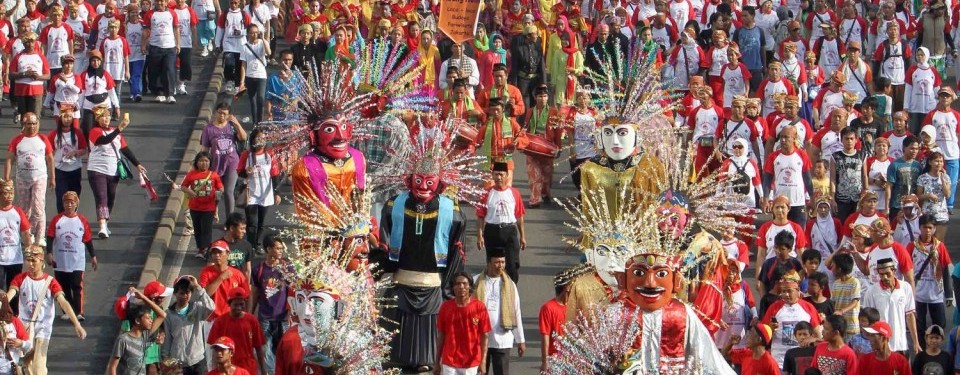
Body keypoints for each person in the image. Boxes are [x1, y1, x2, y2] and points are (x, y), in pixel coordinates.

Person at [7, 246, 86, 375]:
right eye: (28, 260)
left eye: (34, 261)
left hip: (43, 328)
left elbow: (63, 302)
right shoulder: (20, 278)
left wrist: (76, 324)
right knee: (26, 366)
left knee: (39, 367)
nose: (30, 264)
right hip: (24, 328)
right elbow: (10, 294)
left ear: (42, 261)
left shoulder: (50, 282)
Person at [86, 105, 145, 238]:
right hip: (96, 169)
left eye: (107, 116)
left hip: (113, 170)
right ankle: (102, 227)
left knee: (111, 197)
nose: (106, 119)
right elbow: (104, 141)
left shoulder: (115, 132)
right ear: (97, 119)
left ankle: (105, 223)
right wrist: (120, 128)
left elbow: (124, 149)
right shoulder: (94, 131)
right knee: (102, 197)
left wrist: (137, 164)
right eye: (103, 117)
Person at [472, 248, 524, 375]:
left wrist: (520, 340)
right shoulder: (475, 281)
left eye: (502, 262)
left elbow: (516, 312)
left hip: (502, 339)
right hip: (478, 338)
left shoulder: (510, 284)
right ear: (488, 263)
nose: (500, 266)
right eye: (496, 262)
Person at [44, 191, 94, 321]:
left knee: (77, 286)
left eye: (72, 202)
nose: (69, 205)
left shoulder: (82, 221)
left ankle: (79, 312)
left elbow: (88, 239)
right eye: (67, 202)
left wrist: (93, 256)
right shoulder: (57, 220)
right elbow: (50, 236)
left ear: (76, 204)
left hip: (77, 261)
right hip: (60, 261)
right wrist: (49, 253)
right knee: (62, 287)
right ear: (63, 204)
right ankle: (67, 311)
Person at [5, 112, 53, 246]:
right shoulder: (17, 140)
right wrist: (7, 179)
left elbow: (50, 159)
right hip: (22, 179)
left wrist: (52, 178)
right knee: (25, 209)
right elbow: (9, 159)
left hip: (40, 178)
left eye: (34, 123)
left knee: (38, 208)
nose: (31, 126)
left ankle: (38, 235)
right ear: (23, 124)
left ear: (37, 124)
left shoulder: (43, 139)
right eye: (28, 124)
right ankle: (28, 235)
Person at [476, 163, 526, 283]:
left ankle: (511, 291)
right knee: (493, 266)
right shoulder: (486, 193)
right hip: (492, 231)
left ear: (507, 175)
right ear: (492, 175)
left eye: (501, 174)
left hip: (509, 231)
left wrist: (523, 236)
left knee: (512, 266)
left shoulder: (514, 193)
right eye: (496, 174)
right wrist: (480, 235)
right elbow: (480, 216)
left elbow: (519, 216)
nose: (498, 177)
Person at [761, 271, 822, 368]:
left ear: (798, 290)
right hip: (779, 361)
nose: (786, 294)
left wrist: (812, 339)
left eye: (789, 291)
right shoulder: (774, 307)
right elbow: (763, 335)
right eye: (783, 291)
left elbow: (819, 337)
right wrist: (770, 329)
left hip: (801, 361)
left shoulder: (808, 307)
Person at [906, 214, 953, 340]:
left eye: (930, 228)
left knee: (939, 325)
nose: (927, 230)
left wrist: (948, 294)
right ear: (919, 227)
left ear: (934, 229)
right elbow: (906, 269)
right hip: (918, 293)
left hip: (936, 293)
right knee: (919, 325)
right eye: (925, 227)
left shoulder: (939, 247)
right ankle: (921, 350)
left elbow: (945, 269)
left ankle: (936, 350)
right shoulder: (912, 246)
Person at [861, 257, 921, 355]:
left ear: (894, 271)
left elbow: (910, 316)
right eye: (881, 274)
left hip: (901, 344)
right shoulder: (871, 292)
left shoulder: (906, 288)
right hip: (881, 347)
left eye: (887, 274)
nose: (884, 277)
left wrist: (916, 341)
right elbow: (866, 320)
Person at [434, 272, 491, 375]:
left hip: (472, 364)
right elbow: (441, 335)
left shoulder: (479, 307)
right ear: (453, 287)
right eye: (458, 284)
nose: (461, 287)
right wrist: (437, 362)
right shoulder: (445, 307)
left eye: (465, 283)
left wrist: (483, 362)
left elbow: (485, 336)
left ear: (469, 286)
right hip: (450, 362)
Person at [248, 235, 286, 374]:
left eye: (282, 248)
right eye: (277, 248)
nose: (280, 251)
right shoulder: (258, 270)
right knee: (265, 351)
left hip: (283, 318)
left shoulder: (287, 268)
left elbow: (293, 293)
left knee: (283, 350)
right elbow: (254, 294)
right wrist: (249, 316)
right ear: (268, 249)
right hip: (265, 318)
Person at [237, 129, 280, 250]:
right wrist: (246, 172)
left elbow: (275, 174)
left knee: (261, 222)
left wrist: (277, 193)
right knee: (252, 222)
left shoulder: (269, 155)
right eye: (258, 138)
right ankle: (250, 245)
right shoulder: (246, 155)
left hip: (265, 194)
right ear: (253, 140)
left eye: (263, 139)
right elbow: (239, 172)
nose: (260, 141)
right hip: (251, 193)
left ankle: (257, 243)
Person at [107, 287, 167, 375]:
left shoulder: (146, 335)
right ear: (137, 321)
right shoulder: (123, 340)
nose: (151, 321)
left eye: (151, 318)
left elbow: (162, 315)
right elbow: (113, 366)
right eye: (147, 318)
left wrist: (143, 297)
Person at [200, 103, 246, 218]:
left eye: (224, 114)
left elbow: (243, 137)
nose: (221, 116)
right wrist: (203, 165)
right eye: (219, 113)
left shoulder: (231, 126)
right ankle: (212, 212)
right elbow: (205, 148)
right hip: (216, 164)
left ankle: (229, 219)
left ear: (229, 115)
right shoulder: (208, 129)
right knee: (215, 192)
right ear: (216, 112)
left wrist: (237, 124)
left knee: (228, 191)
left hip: (232, 163)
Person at [162, 275, 215, 375]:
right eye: (182, 293)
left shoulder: (197, 308)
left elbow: (211, 307)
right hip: (178, 363)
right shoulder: (168, 314)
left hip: (197, 360)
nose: (185, 296)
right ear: (175, 293)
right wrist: (167, 363)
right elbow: (167, 339)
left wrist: (197, 286)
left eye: (188, 293)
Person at [207, 287, 266, 375]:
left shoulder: (252, 320)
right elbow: (214, 350)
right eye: (235, 304)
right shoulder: (219, 322)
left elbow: (259, 348)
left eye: (241, 304)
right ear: (229, 304)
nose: (239, 307)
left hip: (249, 368)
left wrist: (264, 371)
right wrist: (215, 370)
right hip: (227, 368)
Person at [763, 126, 813, 228]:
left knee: (798, 234)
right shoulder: (773, 157)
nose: (783, 140)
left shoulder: (802, 155)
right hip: (780, 204)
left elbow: (807, 179)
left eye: (786, 137)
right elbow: (767, 180)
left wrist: (812, 198)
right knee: (780, 235)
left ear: (794, 138)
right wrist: (766, 199)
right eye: (781, 137)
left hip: (798, 202)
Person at [922, 87, 960, 212]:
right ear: (938, 97)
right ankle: (935, 203)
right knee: (935, 180)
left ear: (951, 98)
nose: (944, 98)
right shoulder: (932, 114)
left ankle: (949, 205)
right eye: (942, 95)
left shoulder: (956, 115)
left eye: (947, 96)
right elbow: (925, 133)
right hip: (936, 154)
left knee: (952, 181)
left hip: (952, 153)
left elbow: (958, 134)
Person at [522, 85, 559, 207]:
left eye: (544, 96)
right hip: (533, 147)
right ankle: (535, 198)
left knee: (547, 175)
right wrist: (523, 144)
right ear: (535, 97)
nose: (542, 99)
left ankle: (545, 193)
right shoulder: (530, 111)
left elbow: (558, 131)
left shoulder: (554, 112)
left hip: (547, 147)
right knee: (534, 174)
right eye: (539, 96)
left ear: (548, 97)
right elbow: (525, 129)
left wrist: (558, 147)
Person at [181, 151, 223, 258]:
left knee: (207, 229)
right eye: (201, 161)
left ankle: (207, 249)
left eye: (206, 161)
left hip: (209, 208)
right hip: (195, 207)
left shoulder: (214, 175)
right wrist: (190, 192)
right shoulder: (191, 174)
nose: (204, 163)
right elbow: (183, 186)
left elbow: (221, 187)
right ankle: (200, 249)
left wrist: (219, 192)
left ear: (210, 162)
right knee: (197, 228)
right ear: (197, 162)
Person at [198, 241, 249, 322]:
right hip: (212, 319)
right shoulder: (205, 272)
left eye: (220, 252)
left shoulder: (237, 274)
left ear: (228, 253)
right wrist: (220, 278)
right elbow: (205, 294)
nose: (217, 256)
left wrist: (246, 317)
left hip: (232, 318)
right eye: (214, 253)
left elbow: (246, 297)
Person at [142, 0, 180, 103]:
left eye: (162, 1)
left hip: (170, 46)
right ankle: (160, 93)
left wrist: (178, 43)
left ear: (166, 2)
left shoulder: (172, 13)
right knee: (156, 70)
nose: (160, 3)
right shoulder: (150, 14)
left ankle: (170, 94)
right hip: (155, 46)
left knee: (169, 69)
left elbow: (176, 28)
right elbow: (145, 30)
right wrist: (143, 45)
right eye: (158, 1)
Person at [48, 107, 86, 212]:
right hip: (60, 170)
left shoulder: (78, 133)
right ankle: (61, 218)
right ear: (60, 118)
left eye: (69, 116)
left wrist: (75, 153)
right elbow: (48, 152)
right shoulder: (54, 134)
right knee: (61, 197)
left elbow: (84, 149)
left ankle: (73, 216)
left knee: (74, 197)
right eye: (65, 116)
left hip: (75, 169)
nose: (67, 119)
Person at [475, 99, 522, 178]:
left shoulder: (512, 124)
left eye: (497, 110)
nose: (495, 112)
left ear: (503, 109)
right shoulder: (486, 126)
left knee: (505, 189)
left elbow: (523, 137)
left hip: (506, 162)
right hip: (490, 164)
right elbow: (475, 142)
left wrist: (517, 141)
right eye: (493, 110)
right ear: (489, 111)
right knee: (490, 189)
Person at [78, 50, 120, 137]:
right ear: (90, 62)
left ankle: (102, 149)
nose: (96, 63)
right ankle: (90, 148)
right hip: (89, 107)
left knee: (102, 130)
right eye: (93, 61)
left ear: (101, 61)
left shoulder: (106, 74)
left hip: (104, 106)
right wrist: (78, 108)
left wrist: (116, 106)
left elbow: (112, 92)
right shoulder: (84, 75)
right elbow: (81, 93)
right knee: (87, 130)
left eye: (98, 60)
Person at [538, 270, 572, 373]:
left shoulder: (574, 307)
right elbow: (545, 337)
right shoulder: (548, 308)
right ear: (567, 288)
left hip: (573, 360)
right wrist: (545, 362)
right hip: (555, 360)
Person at [215, 0, 251, 94]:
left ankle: (237, 85)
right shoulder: (225, 14)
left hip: (241, 45)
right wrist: (217, 44)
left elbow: (250, 30)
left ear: (239, 3)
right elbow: (220, 29)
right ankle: (229, 81)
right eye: (232, 3)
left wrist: (241, 32)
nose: (233, 5)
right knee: (229, 64)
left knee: (239, 66)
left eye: (235, 3)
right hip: (228, 45)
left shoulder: (244, 15)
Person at [10, 32, 49, 118]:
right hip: (21, 90)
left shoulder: (41, 57)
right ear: (23, 43)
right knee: (24, 117)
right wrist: (24, 74)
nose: (30, 44)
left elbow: (48, 75)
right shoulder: (18, 57)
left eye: (32, 41)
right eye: (27, 42)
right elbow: (11, 74)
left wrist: (38, 77)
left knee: (34, 117)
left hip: (36, 91)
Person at [238, 23, 270, 125]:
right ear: (248, 34)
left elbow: (269, 52)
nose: (255, 35)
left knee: (260, 98)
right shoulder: (244, 47)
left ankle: (260, 122)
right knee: (252, 100)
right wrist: (242, 82)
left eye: (256, 33)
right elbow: (243, 64)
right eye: (252, 33)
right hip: (249, 76)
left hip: (261, 76)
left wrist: (264, 38)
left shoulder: (262, 43)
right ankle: (255, 123)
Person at [886, 135, 922, 220]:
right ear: (904, 148)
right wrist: (887, 207)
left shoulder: (918, 166)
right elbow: (889, 187)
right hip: (897, 206)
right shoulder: (894, 165)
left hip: (913, 205)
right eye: (912, 148)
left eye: (916, 149)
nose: (914, 151)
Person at [916, 152, 951, 237]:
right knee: (926, 240)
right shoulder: (922, 178)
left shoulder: (946, 177)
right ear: (930, 162)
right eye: (936, 161)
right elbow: (918, 196)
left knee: (939, 242)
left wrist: (943, 181)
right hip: (927, 215)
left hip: (941, 215)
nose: (939, 163)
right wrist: (928, 195)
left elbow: (947, 195)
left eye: (941, 161)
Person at [827, 253, 861, 340]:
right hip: (839, 326)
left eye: (833, 265)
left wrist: (841, 311)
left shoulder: (854, 282)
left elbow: (855, 302)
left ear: (839, 269)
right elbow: (833, 302)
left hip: (851, 327)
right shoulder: (836, 283)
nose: (831, 268)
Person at [171, 0, 197, 96]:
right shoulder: (171, 11)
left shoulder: (190, 11)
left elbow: (193, 26)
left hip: (186, 43)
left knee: (186, 65)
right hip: (172, 43)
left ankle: (181, 83)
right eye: (177, 0)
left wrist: (195, 40)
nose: (179, 1)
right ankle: (172, 86)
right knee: (171, 66)